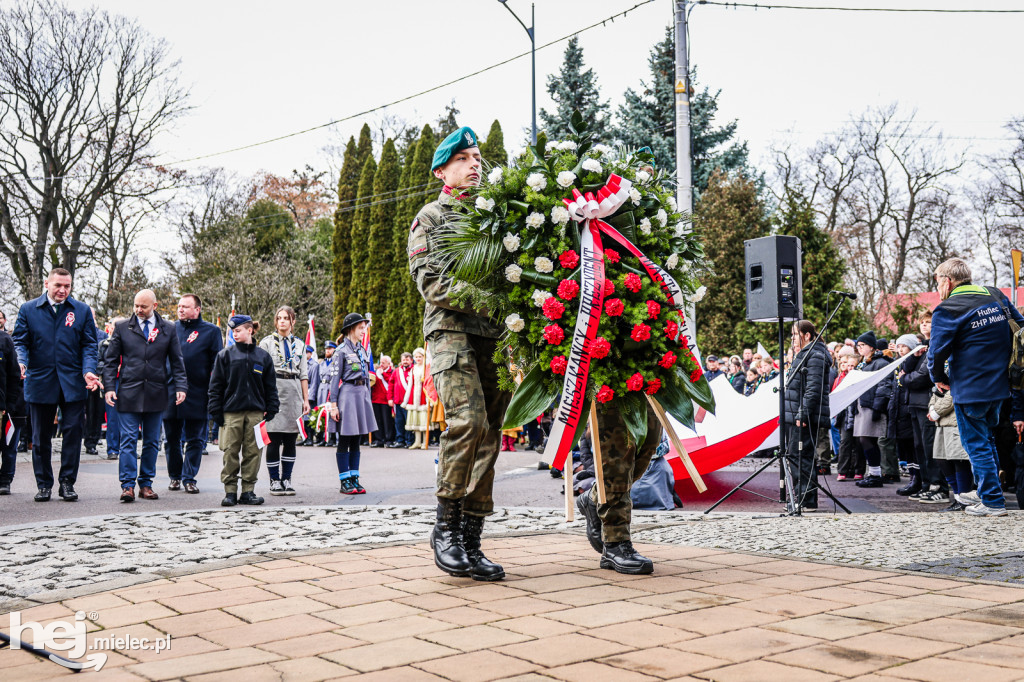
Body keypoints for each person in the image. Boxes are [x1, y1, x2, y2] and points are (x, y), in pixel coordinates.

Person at [409, 126, 512, 581]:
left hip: (493, 335)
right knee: (468, 422)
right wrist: (490, 300)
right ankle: (446, 528)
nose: (476, 165)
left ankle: (472, 538)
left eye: (477, 158)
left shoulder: (495, 219)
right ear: (442, 170)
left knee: (490, 432)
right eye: (465, 158)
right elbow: (431, 283)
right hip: (450, 330)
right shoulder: (430, 217)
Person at [928, 257, 1024, 516]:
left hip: (970, 387)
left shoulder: (949, 307)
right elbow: (1020, 327)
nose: (938, 288)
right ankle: (987, 491)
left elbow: (936, 352)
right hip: (1000, 385)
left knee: (976, 444)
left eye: (937, 282)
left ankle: (992, 501)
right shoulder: (995, 295)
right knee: (987, 439)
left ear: (947, 282)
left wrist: (937, 377)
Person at [12, 267, 100, 502]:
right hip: (41, 381)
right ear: (46, 284)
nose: (63, 290)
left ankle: (67, 482)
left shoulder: (81, 310)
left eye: (67, 286)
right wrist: (21, 361)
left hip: (73, 382)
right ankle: (44, 484)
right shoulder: (28, 309)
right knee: (40, 437)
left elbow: (89, 345)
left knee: (73, 432)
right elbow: (20, 341)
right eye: (58, 285)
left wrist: (89, 370)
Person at [103, 289, 187, 502]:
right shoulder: (122, 327)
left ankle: (146, 484)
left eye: (144, 307)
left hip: (156, 392)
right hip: (129, 392)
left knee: (151, 441)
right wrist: (110, 387)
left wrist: (181, 387)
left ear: (155, 306)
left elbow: (177, 360)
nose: (139, 310)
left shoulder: (168, 328)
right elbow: (111, 359)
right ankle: (127, 486)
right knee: (129, 440)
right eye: (136, 306)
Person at [208, 315, 279, 506]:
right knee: (230, 451)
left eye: (238, 330)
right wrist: (215, 410)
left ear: (250, 330)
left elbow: (270, 385)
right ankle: (230, 491)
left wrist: (272, 407)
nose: (234, 334)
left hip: (256, 413)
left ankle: (248, 491)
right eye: (233, 331)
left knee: (253, 452)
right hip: (231, 412)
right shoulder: (225, 355)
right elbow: (216, 386)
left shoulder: (262, 356)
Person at [161, 294, 222, 494]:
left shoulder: (211, 331)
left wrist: (215, 391)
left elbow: (217, 364)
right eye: (179, 306)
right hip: (171, 390)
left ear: (197, 309)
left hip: (198, 391)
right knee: (172, 438)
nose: (180, 310)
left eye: (185, 307)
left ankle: (189, 478)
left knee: (196, 439)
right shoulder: (170, 328)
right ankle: (175, 477)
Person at [259, 306, 310, 495]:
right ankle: (274, 480)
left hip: (294, 391)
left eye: (286, 318)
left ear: (292, 321)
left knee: (290, 439)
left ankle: (287, 479)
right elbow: (261, 373)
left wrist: (306, 399)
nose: (282, 321)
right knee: (273, 439)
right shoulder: (266, 343)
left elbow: (304, 374)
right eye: (279, 318)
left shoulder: (300, 345)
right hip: (274, 389)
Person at [327, 313, 378, 494]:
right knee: (345, 438)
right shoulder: (340, 351)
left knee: (357, 439)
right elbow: (334, 379)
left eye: (365, 328)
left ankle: (355, 477)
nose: (364, 331)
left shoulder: (362, 350)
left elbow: (366, 377)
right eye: (361, 328)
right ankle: (344, 480)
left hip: (361, 395)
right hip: (347, 395)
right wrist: (333, 405)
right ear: (351, 329)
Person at [784, 321, 831, 510]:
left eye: (796, 334)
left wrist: (802, 413)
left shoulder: (815, 354)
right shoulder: (805, 354)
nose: (793, 338)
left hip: (803, 415)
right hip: (795, 412)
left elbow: (813, 388)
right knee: (796, 456)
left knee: (801, 456)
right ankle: (802, 497)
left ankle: (806, 499)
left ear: (807, 335)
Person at [0, 314, 25, 495]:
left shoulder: (5, 341)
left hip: (7, 406)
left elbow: (13, 375)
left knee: (8, 445)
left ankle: (5, 479)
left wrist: (8, 404)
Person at [98, 317, 125, 461]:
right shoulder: (104, 344)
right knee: (113, 418)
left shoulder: (130, 342)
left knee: (128, 418)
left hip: (127, 382)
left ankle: (127, 448)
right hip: (113, 382)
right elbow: (100, 363)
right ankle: (113, 449)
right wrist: (114, 369)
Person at [83, 308, 106, 456]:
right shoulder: (78, 332)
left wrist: (97, 371)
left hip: (97, 378)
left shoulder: (103, 336)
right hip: (80, 378)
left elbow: (106, 357)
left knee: (95, 412)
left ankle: (92, 441)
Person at [388, 352, 414, 448]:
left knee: (409, 422)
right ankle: (400, 440)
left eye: (407, 360)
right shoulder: (396, 371)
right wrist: (390, 398)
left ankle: (409, 441)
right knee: (399, 422)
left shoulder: (414, 370)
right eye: (403, 360)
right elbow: (391, 385)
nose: (405, 362)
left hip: (409, 402)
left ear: (411, 360)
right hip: (398, 401)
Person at [370, 355, 396, 447]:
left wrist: (383, 374)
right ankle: (379, 439)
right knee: (377, 421)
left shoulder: (392, 372)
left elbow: (391, 381)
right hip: (376, 399)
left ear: (389, 364)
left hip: (386, 400)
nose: (381, 364)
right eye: (380, 362)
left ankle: (389, 439)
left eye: (383, 363)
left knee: (387, 421)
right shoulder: (376, 372)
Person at [317, 341, 339, 448]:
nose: (328, 351)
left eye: (330, 349)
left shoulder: (336, 362)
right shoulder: (321, 364)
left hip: (330, 388)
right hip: (321, 389)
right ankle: (322, 437)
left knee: (331, 414)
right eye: (326, 349)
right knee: (321, 413)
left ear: (334, 350)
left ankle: (332, 438)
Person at [302, 344, 318, 445]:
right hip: (301, 394)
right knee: (303, 418)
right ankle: (305, 438)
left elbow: (314, 382)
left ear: (310, 354)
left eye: (306, 352)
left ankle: (310, 439)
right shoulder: (302, 363)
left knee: (309, 418)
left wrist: (309, 397)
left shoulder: (314, 365)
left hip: (308, 394)